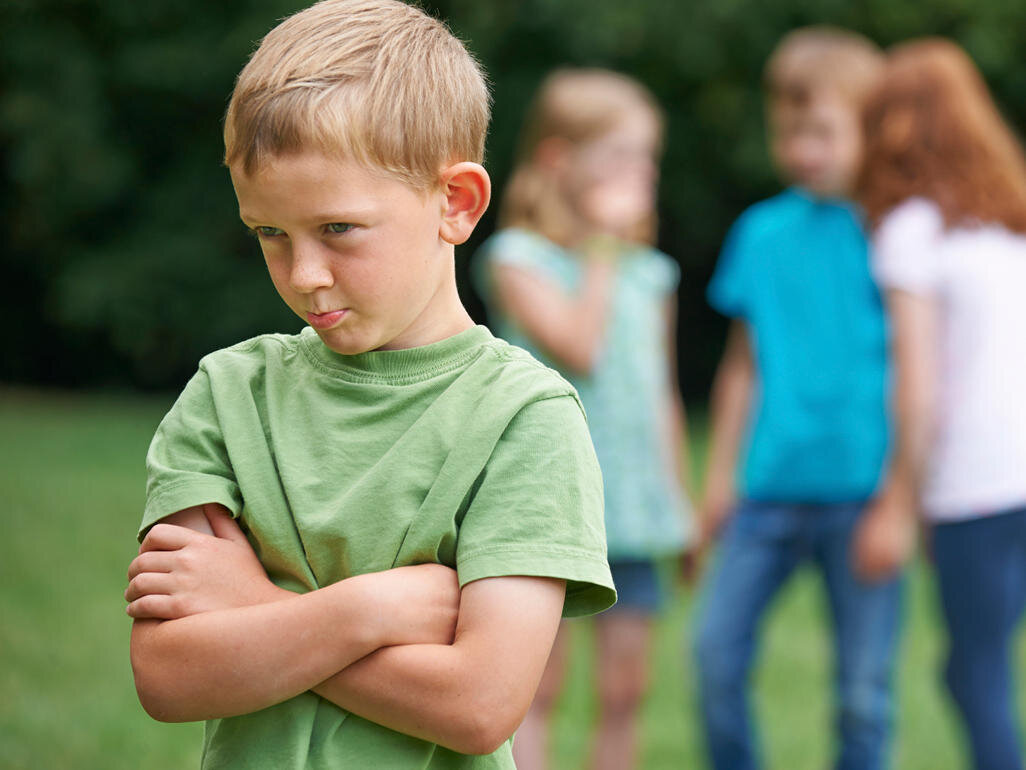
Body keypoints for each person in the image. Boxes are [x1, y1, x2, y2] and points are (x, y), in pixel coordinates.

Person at [122, 2, 616, 768]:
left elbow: (478, 705)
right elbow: (167, 674)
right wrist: (369, 611)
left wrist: (250, 606)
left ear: (456, 203)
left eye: (338, 230)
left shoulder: (526, 418)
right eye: (270, 234)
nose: (304, 275)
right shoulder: (227, 395)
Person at [694, 27, 904, 770]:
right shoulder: (760, 233)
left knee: (863, 692)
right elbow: (741, 369)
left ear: (871, 127)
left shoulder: (898, 235)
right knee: (714, 660)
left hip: (865, 494)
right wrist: (717, 478)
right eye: (787, 131)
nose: (801, 149)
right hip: (768, 491)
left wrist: (904, 501)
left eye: (820, 131)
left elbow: (922, 366)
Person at [474, 69, 693, 770]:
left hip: (632, 509)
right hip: (548, 506)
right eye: (621, 158)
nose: (641, 175)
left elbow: (660, 392)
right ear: (557, 160)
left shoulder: (651, 275)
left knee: (625, 690)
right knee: (537, 687)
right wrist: (600, 247)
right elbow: (581, 347)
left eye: (647, 159)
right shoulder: (517, 261)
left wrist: (678, 503)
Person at [858, 39, 1026, 770]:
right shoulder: (1010, 230)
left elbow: (919, 387)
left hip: (975, 488)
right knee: (973, 668)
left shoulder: (910, 233)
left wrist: (898, 503)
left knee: (977, 670)